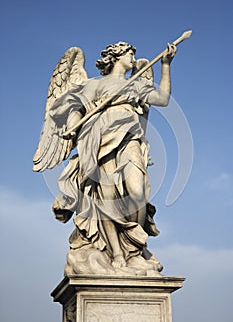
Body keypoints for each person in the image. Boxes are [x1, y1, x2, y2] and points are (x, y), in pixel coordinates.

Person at [36, 41, 176, 275]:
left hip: (129, 138)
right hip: (98, 140)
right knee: (105, 198)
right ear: (117, 56)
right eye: (130, 54)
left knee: (138, 193)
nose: (133, 58)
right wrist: (72, 127)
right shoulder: (94, 84)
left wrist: (165, 65)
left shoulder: (135, 82)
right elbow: (71, 109)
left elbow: (162, 99)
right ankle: (118, 254)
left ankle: (134, 250)